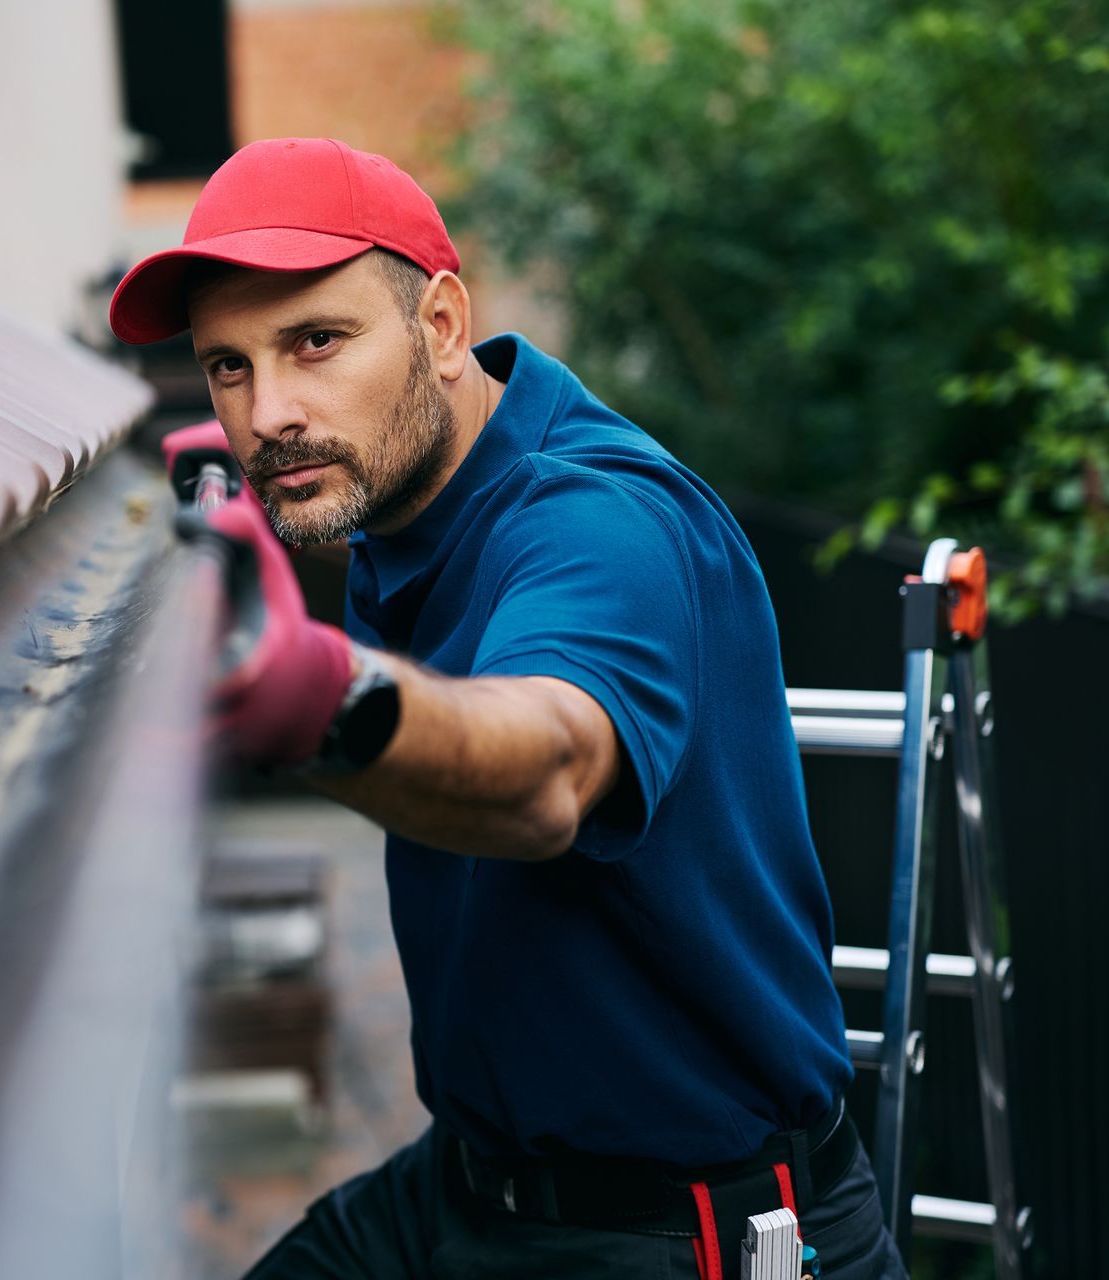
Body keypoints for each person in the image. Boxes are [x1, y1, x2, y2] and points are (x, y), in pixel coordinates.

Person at [108, 138, 907, 1280]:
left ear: (439, 327)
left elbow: (547, 769)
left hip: (684, 1230)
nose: (269, 410)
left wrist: (313, 693)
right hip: (470, 1179)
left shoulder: (599, 525)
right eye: (227, 366)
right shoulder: (398, 500)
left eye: (315, 342)